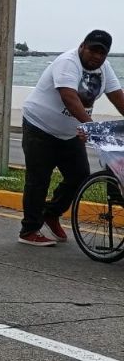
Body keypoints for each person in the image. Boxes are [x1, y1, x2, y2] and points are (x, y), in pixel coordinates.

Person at [18, 30, 124, 247]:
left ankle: (51, 213)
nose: (97, 56)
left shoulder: (104, 68)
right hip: (40, 127)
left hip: (68, 133)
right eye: (93, 50)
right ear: (82, 46)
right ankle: (29, 230)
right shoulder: (68, 62)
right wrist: (91, 127)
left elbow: (117, 97)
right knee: (39, 179)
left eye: (102, 53)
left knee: (79, 176)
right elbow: (69, 97)